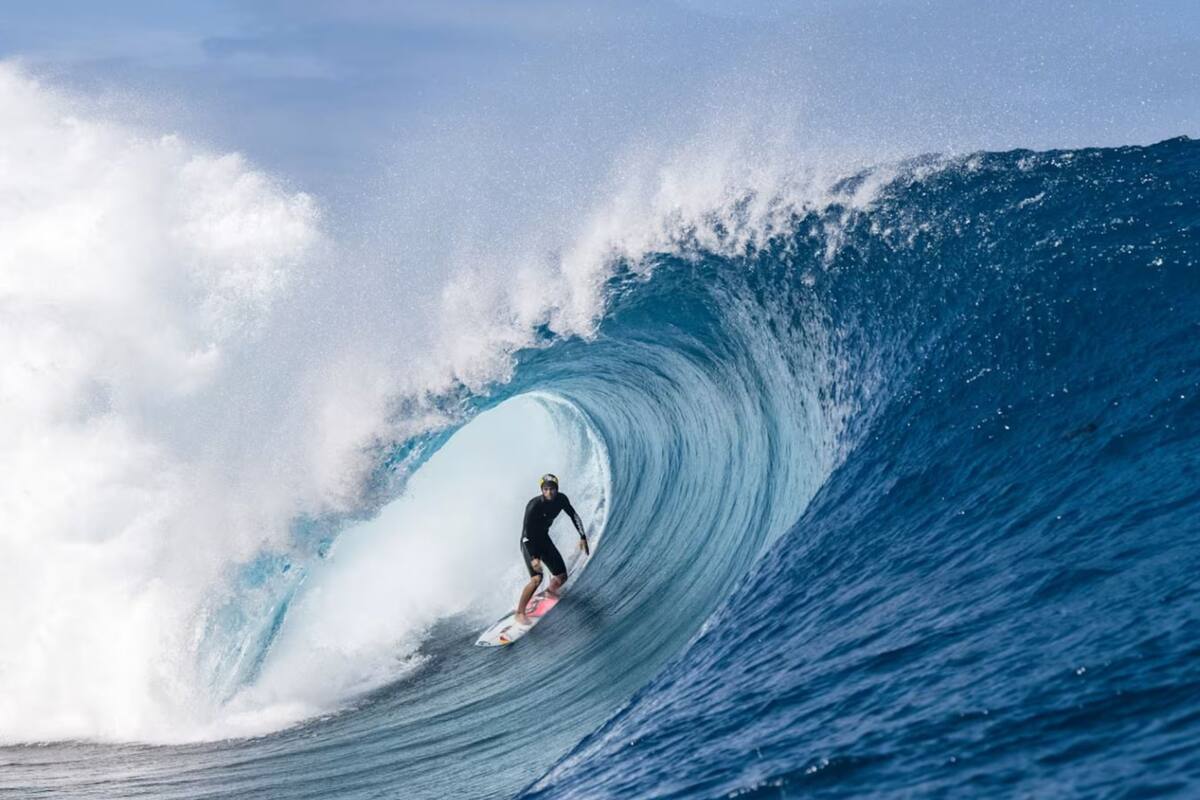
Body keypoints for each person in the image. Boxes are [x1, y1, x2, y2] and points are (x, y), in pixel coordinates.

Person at [515, 473, 589, 625]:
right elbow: (526, 534)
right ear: (542, 490)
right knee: (536, 579)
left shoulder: (561, 499)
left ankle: (549, 591)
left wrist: (582, 536)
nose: (549, 492)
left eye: (552, 489)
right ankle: (519, 612)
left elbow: (574, 516)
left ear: (557, 489)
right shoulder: (533, 505)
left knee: (561, 577)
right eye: (546, 489)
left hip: (544, 540)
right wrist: (534, 557)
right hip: (529, 543)